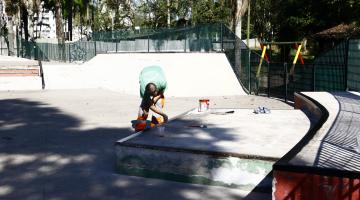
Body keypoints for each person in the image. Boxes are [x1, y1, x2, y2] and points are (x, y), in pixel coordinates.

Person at [134, 65, 168, 131]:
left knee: (159, 102)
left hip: (157, 71)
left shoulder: (162, 82)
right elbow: (150, 106)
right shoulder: (143, 89)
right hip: (145, 73)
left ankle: (155, 122)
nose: (152, 96)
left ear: (157, 89)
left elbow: (162, 92)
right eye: (150, 94)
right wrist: (164, 115)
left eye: (153, 94)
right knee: (144, 108)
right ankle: (140, 126)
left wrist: (157, 97)